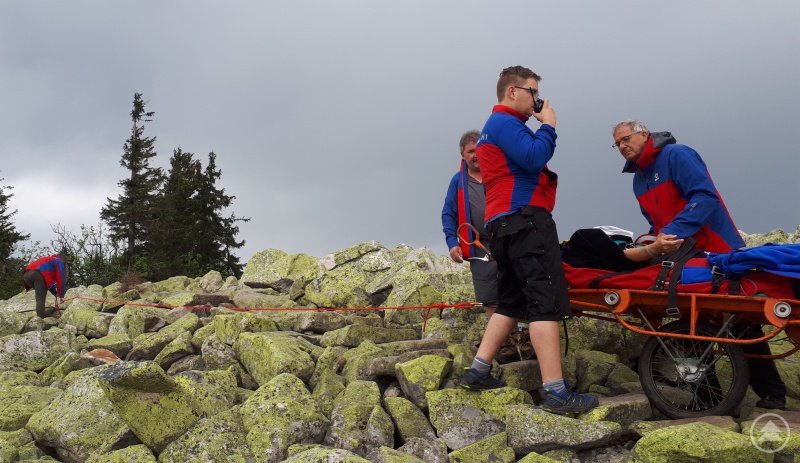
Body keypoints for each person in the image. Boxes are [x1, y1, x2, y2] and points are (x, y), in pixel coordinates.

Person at [612, 119, 788, 410]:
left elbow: (705, 197)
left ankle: (772, 394)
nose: (622, 146)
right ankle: (708, 396)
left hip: (716, 248)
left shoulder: (677, 155)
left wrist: (672, 233)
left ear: (644, 135)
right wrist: (655, 244)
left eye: (626, 139)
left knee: (741, 322)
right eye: (617, 144)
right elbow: (655, 222)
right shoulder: (637, 179)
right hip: (681, 256)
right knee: (690, 322)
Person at [460, 65, 599, 415]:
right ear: (512, 92)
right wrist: (549, 123)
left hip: (502, 225)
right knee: (544, 301)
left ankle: (478, 370)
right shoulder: (505, 122)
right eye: (532, 92)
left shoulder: (497, 128)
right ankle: (555, 391)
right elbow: (536, 157)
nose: (537, 99)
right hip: (525, 220)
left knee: (510, 302)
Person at [442, 130, 531, 363]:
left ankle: (525, 337)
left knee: (520, 285)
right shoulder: (457, 181)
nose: (476, 155)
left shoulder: (500, 173)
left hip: (508, 239)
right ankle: (505, 345)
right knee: (490, 295)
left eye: (479, 150)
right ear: (463, 155)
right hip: (478, 246)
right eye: (471, 151)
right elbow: (448, 214)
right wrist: (453, 243)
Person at [23, 252, 68, 318]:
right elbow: (60, 279)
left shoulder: (49, 259)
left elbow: (47, 280)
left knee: (40, 296)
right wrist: (62, 296)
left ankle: (39, 315)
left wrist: (55, 293)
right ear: (63, 260)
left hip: (26, 275)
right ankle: (40, 319)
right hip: (38, 275)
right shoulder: (59, 261)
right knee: (40, 299)